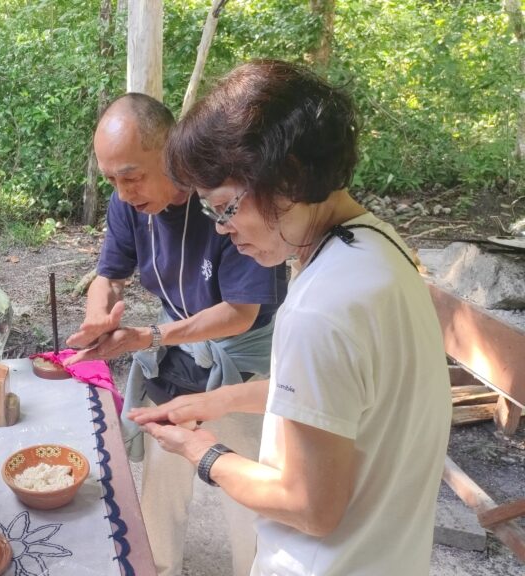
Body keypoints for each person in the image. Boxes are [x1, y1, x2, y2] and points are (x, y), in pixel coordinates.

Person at [131, 60, 452, 575]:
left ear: (288, 178)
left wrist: (201, 451)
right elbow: (337, 401)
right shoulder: (378, 248)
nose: (221, 230)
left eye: (226, 208)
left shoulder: (319, 308)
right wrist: (216, 400)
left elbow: (310, 506)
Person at [65, 93, 288, 576]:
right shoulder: (128, 203)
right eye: (111, 179)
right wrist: (98, 313)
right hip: (177, 349)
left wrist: (150, 336)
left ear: (171, 154)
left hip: (242, 364)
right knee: (162, 475)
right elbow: (109, 273)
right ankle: (156, 567)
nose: (123, 191)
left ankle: (254, 569)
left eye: (132, 175)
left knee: (245, 489)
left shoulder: (226, 202)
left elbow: (241, 313)